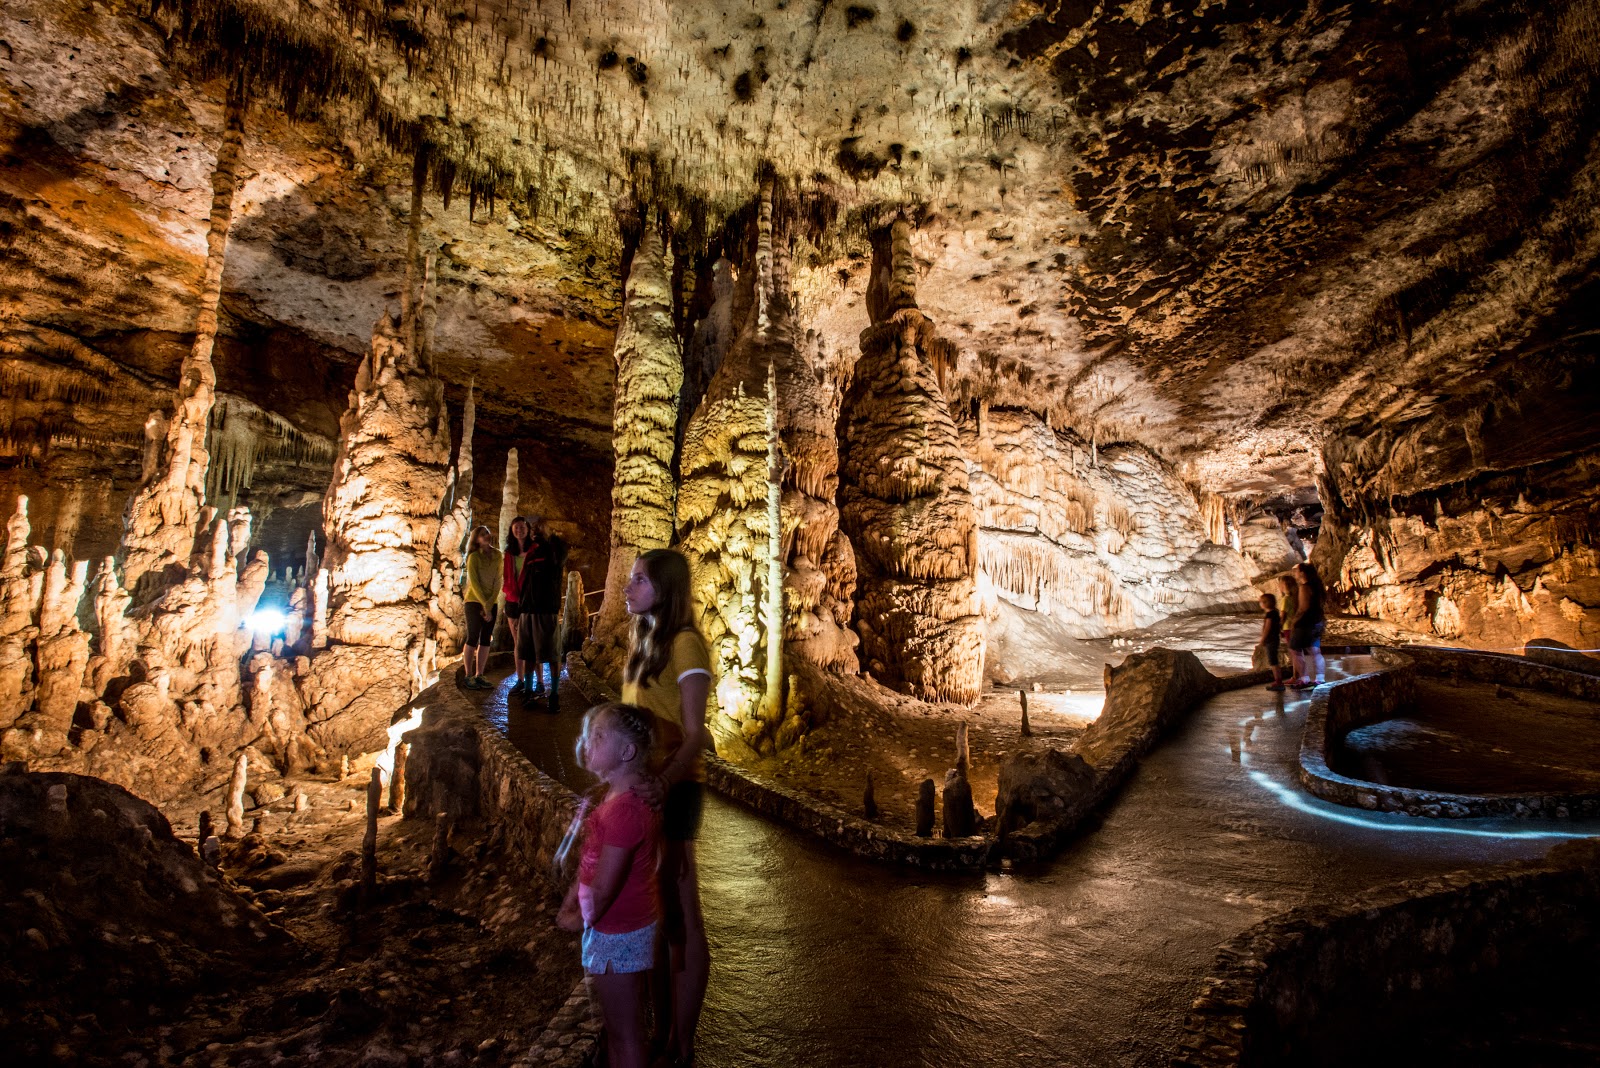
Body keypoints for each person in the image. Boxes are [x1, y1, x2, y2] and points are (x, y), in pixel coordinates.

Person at [621, 549, 711, 1068]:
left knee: (681, 917)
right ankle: (660, 1029)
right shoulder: (644, 640)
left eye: (638, 580)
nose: (629, 587)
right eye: (630, 578)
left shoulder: (684, 644)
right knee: (655, 917)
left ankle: (682, 1041)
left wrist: (664, 780)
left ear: (665, 589)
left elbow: (697, 733)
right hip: (643, 791)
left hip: (674, 790)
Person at [557, 702, 661, 1068]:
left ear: (626, 751)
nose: (587, 741)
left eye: (598, 735)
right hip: (621, 932)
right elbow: (594, 861)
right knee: (621, 1029)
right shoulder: (618, 800)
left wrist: (578, 918)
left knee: (625, 1031)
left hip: (618, 935)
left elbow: (603, 888)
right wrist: (575, 891)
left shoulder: (624, 812)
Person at [520, 516, 569, 711]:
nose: (535, 530)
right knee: (529, 655)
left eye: (540, 527)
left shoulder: (554, 552)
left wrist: (553, 539)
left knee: (551, 655)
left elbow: (561, 556)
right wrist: (521, 605)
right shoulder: (532, 554)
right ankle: (529, 692)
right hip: (528, 610)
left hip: (546, 611)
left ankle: (554, 694)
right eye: (533, 528)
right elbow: (525, 581)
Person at [460, 525, 502, 690]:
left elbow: (498, 580)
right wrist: (485, 605)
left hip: (491, 602)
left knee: (486, 638)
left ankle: (480, 674)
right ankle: (468, 675)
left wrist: (490, 604)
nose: (486, 536)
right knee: (473, 637)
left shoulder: (498, 555)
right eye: (482, 534)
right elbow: (475, 584)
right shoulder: (474, 557)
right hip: (473, 601)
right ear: (476, 539)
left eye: (487, 533)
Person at [1289, 562, 1327, 689]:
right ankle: (1320, 679)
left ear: (1302, 573)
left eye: (1296, 571)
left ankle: (1304, 679)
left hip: (1305, 623)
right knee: (1315, 651)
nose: (1294, 573)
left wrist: (1294, 621)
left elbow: (1303, 608)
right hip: (1317, 621)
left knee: (1295, 651)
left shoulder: (1304, 587)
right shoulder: (1317, 586)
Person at [1259, 592, 1285, 691]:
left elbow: (1267, 628)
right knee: (1274, 660)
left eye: (1261, 602)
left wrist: (1262, 640)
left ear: (1265, 603)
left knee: (1273, 661)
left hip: (1270, 640)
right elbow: (1278, 626)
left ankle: (1278, 682)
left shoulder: (1270, 615)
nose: (1260, 604)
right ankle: (1278, 681)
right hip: (1275, 639)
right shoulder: (1275, 613)